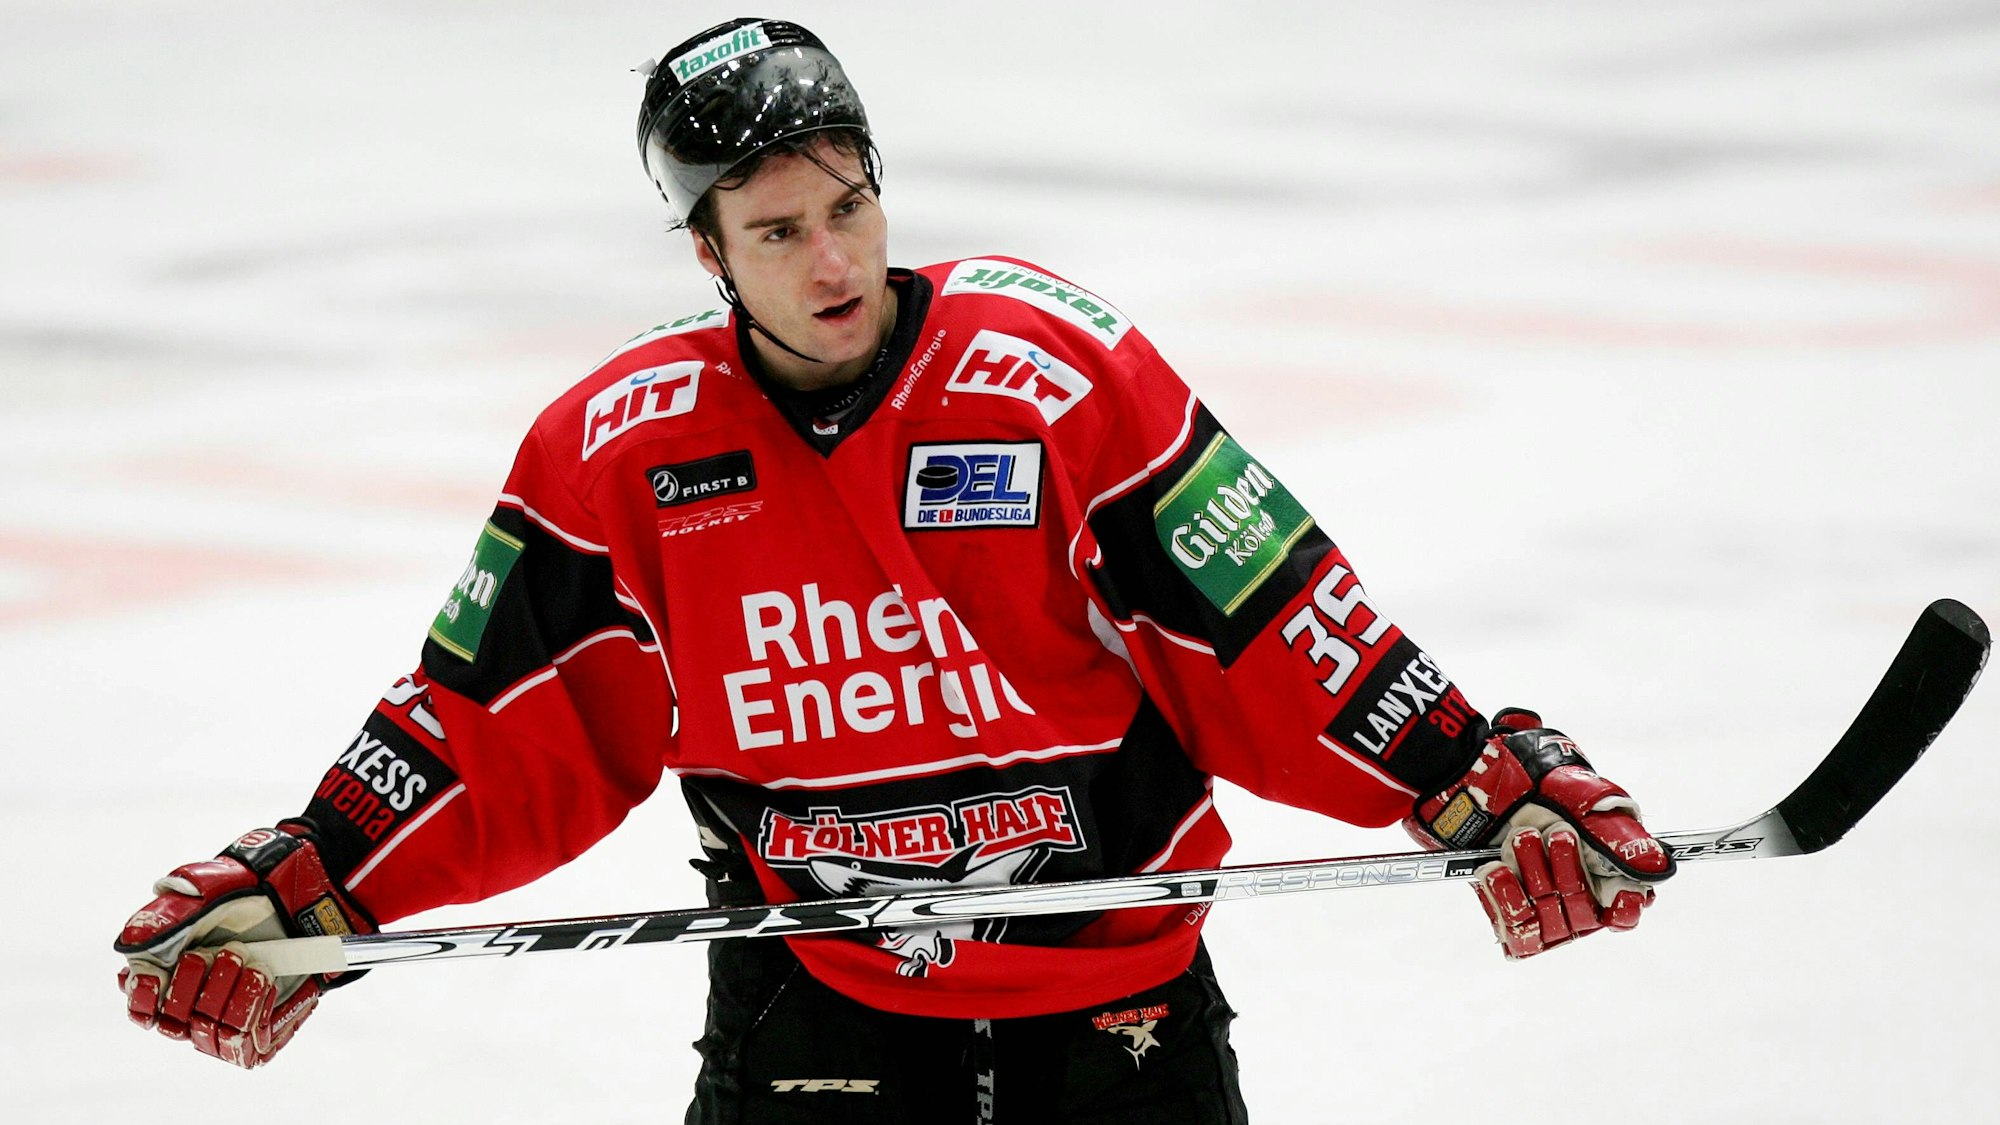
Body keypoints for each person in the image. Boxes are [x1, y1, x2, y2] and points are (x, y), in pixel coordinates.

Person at [114, 18, 1674, 1123]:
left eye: (851, 206)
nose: (836, 261)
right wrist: (322, 874)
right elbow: (490, 719)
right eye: (780, 229)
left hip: (1120, 1031)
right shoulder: (618, 450)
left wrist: (1475, 779)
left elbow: (1269, 621)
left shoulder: (1056, 372)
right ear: (708, 255)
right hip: (814, 1030)